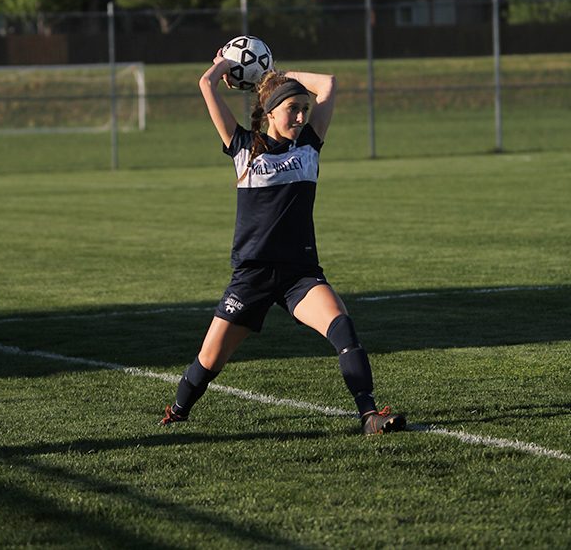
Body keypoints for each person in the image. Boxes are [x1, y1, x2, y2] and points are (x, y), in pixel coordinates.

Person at [160, 51, 406, 436]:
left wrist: (275, 73)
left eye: (304, 109)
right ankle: (176, 411)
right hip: (252, 276)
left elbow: (328, 83)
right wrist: (228, 62)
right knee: (208, 361)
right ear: (270, 112)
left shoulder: (309, 146)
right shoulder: (243, 147)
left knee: (342, 327)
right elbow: (206, 84)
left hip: (299, 274)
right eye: (292, 108)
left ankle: (369, 415)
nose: (301, 117)